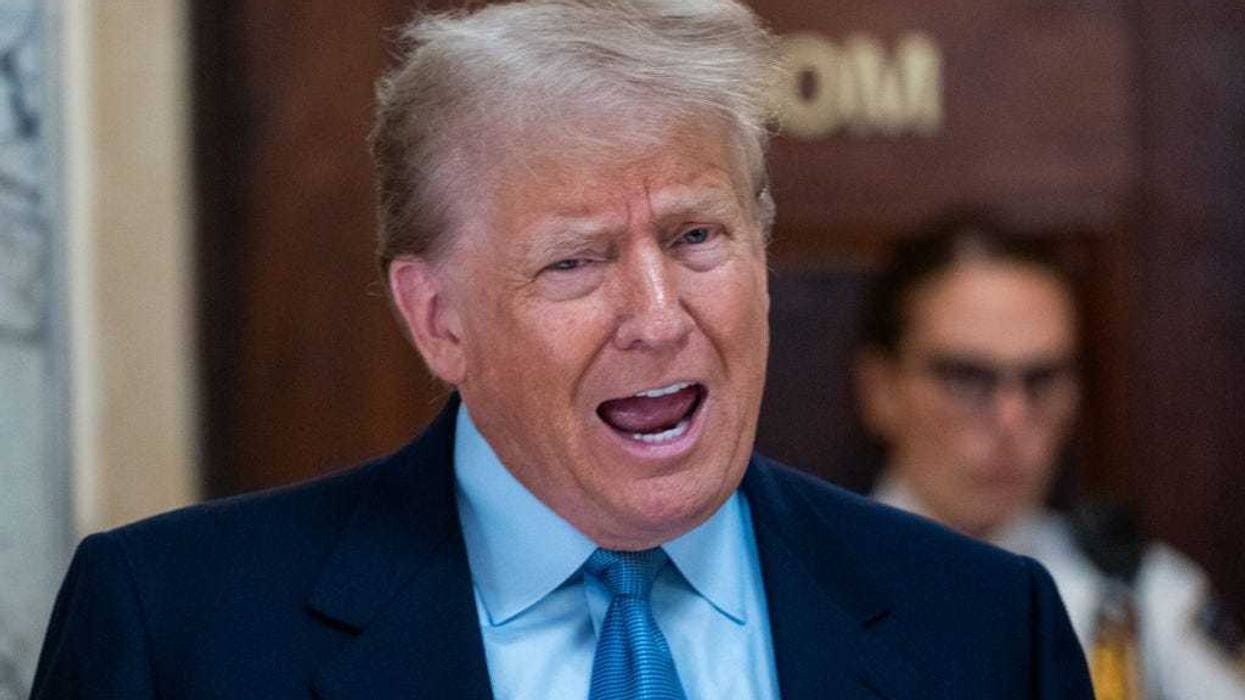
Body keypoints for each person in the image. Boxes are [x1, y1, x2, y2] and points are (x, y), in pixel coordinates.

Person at [33, 2, 1093, 697]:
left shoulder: (989, 631)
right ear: (437, 318)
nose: (659, 314)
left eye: (695, 237)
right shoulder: (177, 634)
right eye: (576, 262)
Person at [855, 212, 1245, 699]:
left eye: (1042, 380)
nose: (1012, 419)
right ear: (881, 390)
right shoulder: (807, 582)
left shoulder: (1138, 594)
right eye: (968, 378)